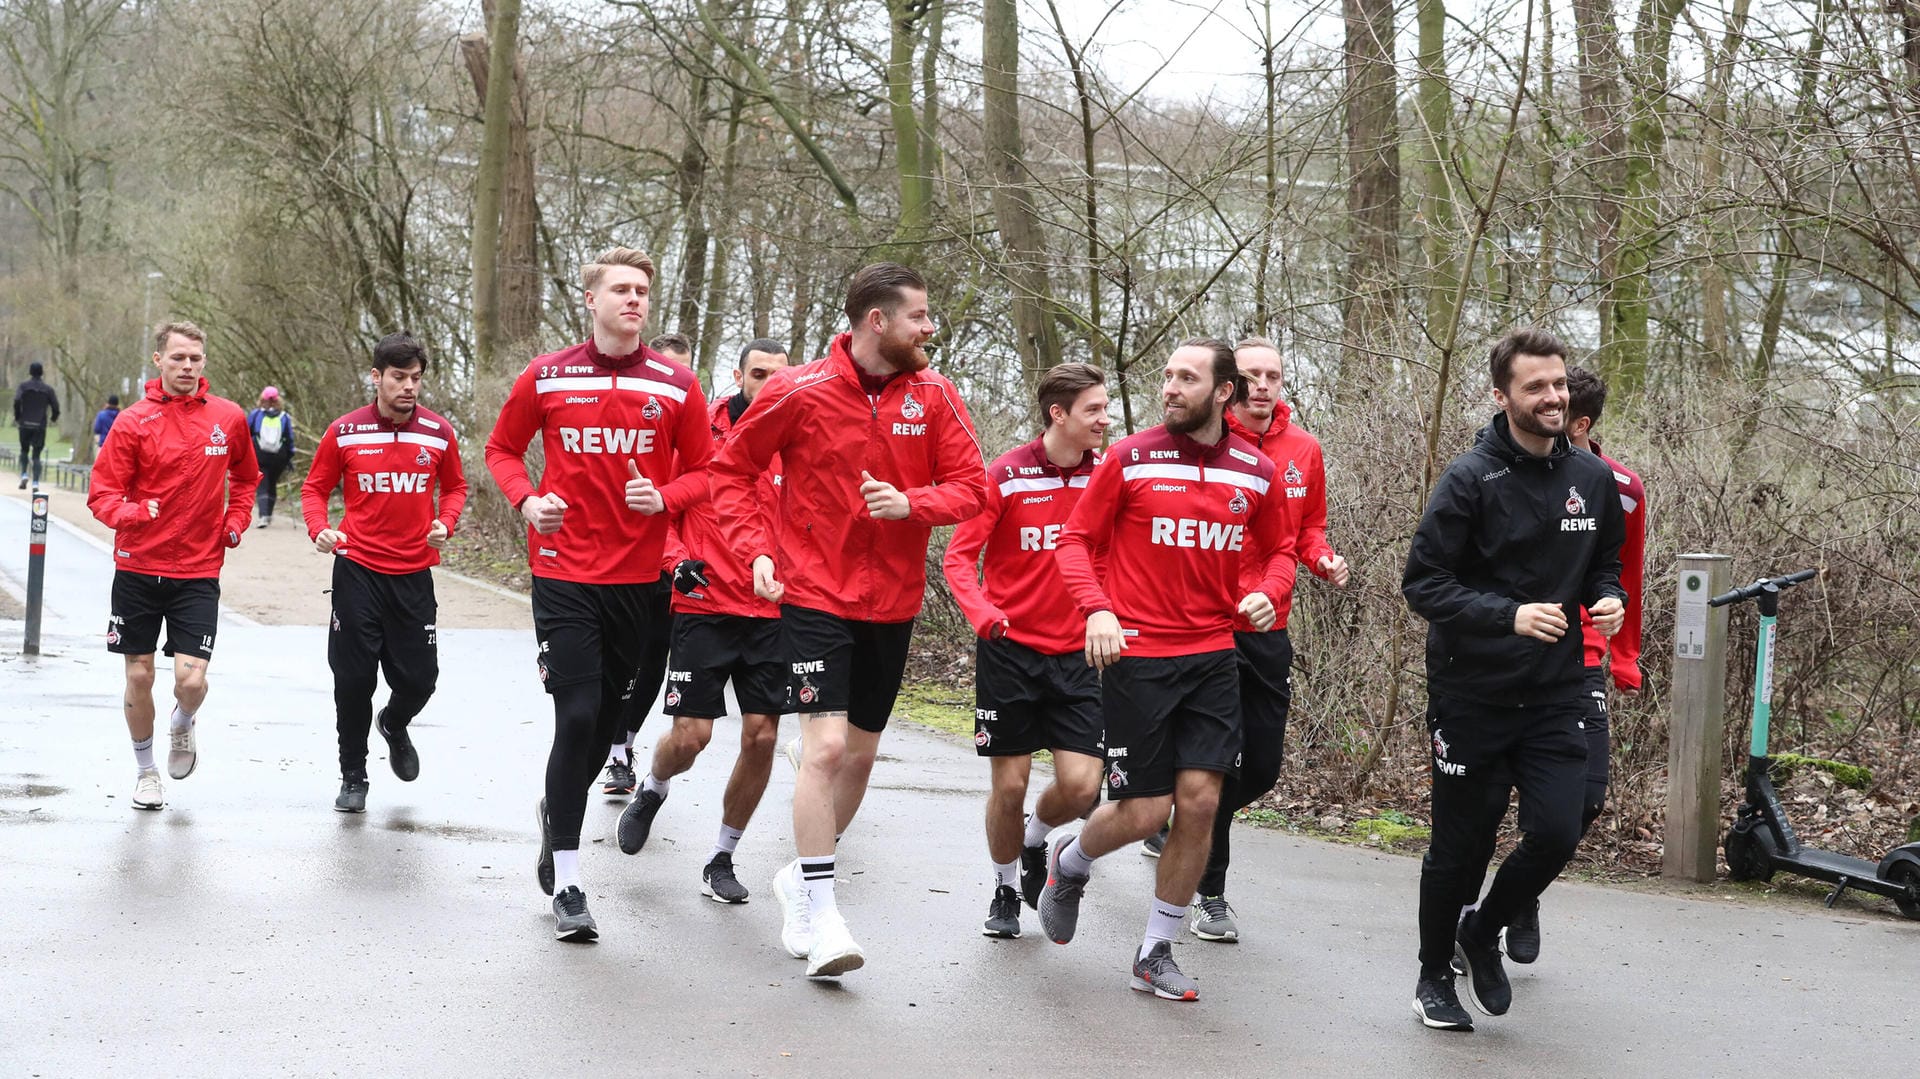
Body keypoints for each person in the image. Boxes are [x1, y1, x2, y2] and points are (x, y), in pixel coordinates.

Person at [710, 263, 987, 977]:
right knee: (825, 749)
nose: (930, 328)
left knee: (860, 757)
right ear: (877, 321)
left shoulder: (936, 394)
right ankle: (825, 913)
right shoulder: (799, 389)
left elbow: (973, 489)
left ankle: (801, 877)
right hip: (812, 593)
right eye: (919, 316)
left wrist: (911, 503)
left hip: (891, 603)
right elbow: (731, 471)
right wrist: (757, 549)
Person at [1039, 338, 1297, 1002]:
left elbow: (1279, 550)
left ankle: (1156, 948)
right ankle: (1069, 863)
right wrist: (1095, 608)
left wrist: (1271, 589)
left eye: (1187, 377)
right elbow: (1074, 541)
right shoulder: (1129, 458)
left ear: (1224, 392)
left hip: (1214, 653)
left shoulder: (1255, 470)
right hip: (1137, 655)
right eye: (1167, 375)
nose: (1170, 387)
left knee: (1203, 800)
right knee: (1144, 806)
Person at [484, 246, 713, 943]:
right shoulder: (548, 375)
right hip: (562, 573)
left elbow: (708, 472)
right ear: (592, 299)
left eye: (643, 289)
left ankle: (555, 814)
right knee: (577, 714)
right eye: (621, 288)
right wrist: (528, 501)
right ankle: (573, 880)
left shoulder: (676, 385)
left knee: (609, 716)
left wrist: (663, 497)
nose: (635, 299)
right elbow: (500, 448)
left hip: (638, 583)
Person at [1400, 328, 1626, 1031]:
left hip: (1556, 692)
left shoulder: (1592, 478)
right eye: (1537, 386)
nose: (1553, 396)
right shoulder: (1470, 479)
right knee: (1460, 847)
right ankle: (1433, 974)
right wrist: (1509, 615)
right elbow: (1423, 584)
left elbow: (1602, 565)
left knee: (1559, 829)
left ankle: (1484, 929)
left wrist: (1608, 596)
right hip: (1472, 694)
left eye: (1559, 383)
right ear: (1502, 397)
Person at [1161, 336, 1351, 943]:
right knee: (1213, 768)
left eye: (1274, 374)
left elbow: (1307, 529)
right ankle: (1209, 894)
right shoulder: (1202, 448)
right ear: (1227, 387)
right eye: (1252, 375)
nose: (1264, 385)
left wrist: (1322, 558)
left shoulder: (1303, 450)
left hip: (1270, 626)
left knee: (1261, 769)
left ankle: (1182, 818)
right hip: (1204, 629)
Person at [1472, 364, 1646, 965]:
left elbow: (1625, 578)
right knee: (1505, 804)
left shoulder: (1618, 486)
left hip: (1582, 660)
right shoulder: (1495, 476)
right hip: (1505, 666)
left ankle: (1523, 892)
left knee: (1583, 803)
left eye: (1560, 405)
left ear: (1581, 422)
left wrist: (1623, 652)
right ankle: (1498, 906)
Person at [615, 338, 791, 906]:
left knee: (762, 736)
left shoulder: (801, 437)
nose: (769, 385)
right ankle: (654, 785)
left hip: (773, 609)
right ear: (738, 375)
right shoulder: (700, 430)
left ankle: (722, 855)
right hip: (705, 603)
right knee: (692, 737)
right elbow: (662, 506)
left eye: (779, 376)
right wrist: (675, 563)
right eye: (759, 374)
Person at [941, 362, 1110, 939]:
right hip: (1010, 651)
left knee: (1085, 787)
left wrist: (1110, 614)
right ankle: (1006, 889)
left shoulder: (1106, 475)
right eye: (1094, 410)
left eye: (1106, 408)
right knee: (1008, 785)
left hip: (1080, 656)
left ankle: (1036, 838)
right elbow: (959, 558)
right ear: (1057, 413)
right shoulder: (1005, 475)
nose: (1105, 420)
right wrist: (984, 614)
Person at [87, 322, 261, 811]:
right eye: (179, 358)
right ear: (158, 359)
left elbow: (247, 478)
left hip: (198, 571)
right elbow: (101, 495)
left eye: (196, 359)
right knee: (139, 677)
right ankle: (146, 774)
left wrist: (236, 520)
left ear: (204, 363)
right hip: (139, 566)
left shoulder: (227, 419)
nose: (188, 367)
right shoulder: (132, 422)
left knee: (189, 681)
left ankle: (183, 723)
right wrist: (136, 514)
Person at [300, 334, 470, 813]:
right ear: (376, 377)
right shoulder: (345, 432)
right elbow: (314, 489)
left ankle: (393, 723)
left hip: (414, 574)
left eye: (416, 378)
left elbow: (456, 488)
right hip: (357, 570)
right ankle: (353, 774)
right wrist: (321, 529)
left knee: (421, 679)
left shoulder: (437, 432)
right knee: (353, 680)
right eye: (398, 377)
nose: (409, 387)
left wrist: (446, 522)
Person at [249, 387, 297, 527]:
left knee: (262, 484)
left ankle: (263, 516)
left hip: (260, 454)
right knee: (272, 484)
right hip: (279, 456)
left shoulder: (256, 414)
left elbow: (246, 432)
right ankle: (268, 514)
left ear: (262, 398)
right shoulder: (284, 417)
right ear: (278, 400)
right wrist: (289, 457)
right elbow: (289, 438)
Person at [13, 360, 60, 488]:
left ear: (30, 372)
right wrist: (53, 418)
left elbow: (17, 400)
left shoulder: (23, 386)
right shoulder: (47, 389)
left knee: (24, 450)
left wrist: (18, 416)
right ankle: (35, 483)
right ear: (42, 373)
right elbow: (55, 406)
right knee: (36, 455)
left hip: (25, 423)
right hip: (40, 425)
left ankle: (23, 474)